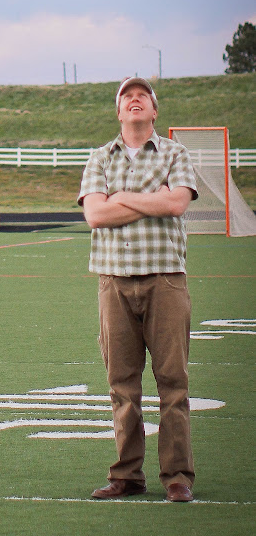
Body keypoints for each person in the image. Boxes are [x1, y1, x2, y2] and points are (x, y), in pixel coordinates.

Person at [78, 77, 198, 502]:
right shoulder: (99, 157)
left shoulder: (175, 153)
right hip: (113, 282)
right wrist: (150, 198)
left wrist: (120, 198)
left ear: (154, 110)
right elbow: (95, 215)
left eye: (142, 96)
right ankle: (127, 475)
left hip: (165, 279)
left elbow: (176, 203)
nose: (134, 100)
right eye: (127, 96)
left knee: (173, 382)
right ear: (118, 111)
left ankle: (177, 476)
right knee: (121, 384)